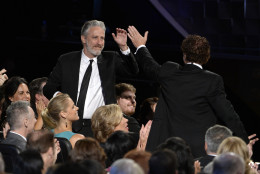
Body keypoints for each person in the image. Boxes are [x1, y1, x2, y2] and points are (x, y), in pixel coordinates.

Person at [127, 26, 249, 158]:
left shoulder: (170, 71)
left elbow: (149, 66)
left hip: (166, 151)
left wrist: (140, 46)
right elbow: (228, 114)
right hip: (196, 153)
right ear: (206, 57)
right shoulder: (212, 80)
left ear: (184, 55)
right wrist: (244, 142)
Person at [43, 20, 139, 137]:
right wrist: (60, 98)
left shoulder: (111, 59)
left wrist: (124, 47)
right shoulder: (66, 60)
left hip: (104, 127)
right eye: (95, 38)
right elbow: (48, 88)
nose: (99, 42)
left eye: (102, 38)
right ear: (84, 39)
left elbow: (133, 71)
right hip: (72, 125)